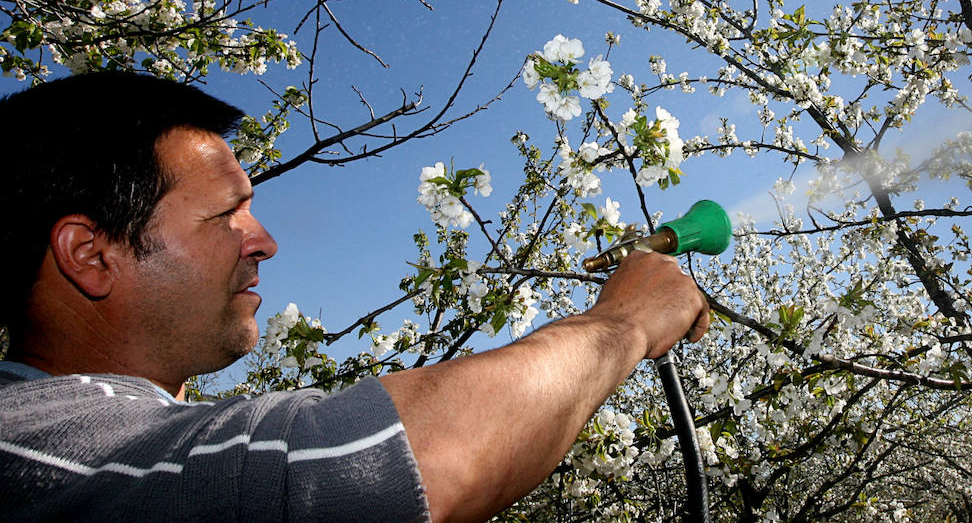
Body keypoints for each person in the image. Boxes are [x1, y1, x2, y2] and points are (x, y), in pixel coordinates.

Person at [0, 72, 710, 522]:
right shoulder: (34, 454)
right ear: (90, 254)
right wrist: (624, 321)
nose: (264, 241)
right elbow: (390, 460)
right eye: (227, 214)